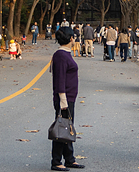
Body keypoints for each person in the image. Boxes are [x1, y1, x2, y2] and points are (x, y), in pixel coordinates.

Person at [50, 26, 84, 170]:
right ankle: (56, 161)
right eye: (73, 36)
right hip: (64, 98)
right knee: (62, 127)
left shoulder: (65, 54)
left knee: (67, 127)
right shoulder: (61, 56)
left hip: (69, 97)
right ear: (70, 39)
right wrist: (63, 99)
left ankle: (69, 158)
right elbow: (60, 79)